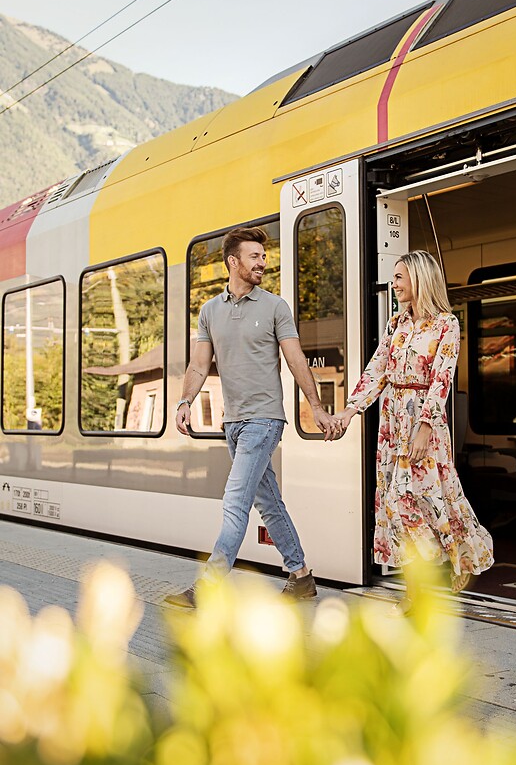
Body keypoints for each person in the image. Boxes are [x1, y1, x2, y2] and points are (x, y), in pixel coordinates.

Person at [165, 225, 341, 608]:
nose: (263, 262)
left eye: (264, 256)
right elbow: (198, 365)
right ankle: (301, 576)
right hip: (234, 422)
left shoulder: (275, 306)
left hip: (264, 420)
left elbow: (295, 359)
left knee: (236, 498)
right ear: (233, 262)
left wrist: (315, 406)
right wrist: (184, 402)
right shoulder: (209, 311)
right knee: (268, 502)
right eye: (255, 256)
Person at [335, 250, 494, 613]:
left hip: (424, 421)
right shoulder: (396, 324)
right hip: (393, 420)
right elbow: (378, 370)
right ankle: (419, 585)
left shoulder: (446, 325)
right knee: (397, 505)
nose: (394, 284)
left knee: (420, 500)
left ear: (419, 279)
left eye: (399, 277)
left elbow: (442, 379)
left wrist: (425, 426)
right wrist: (349, 411)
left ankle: (450, 561)